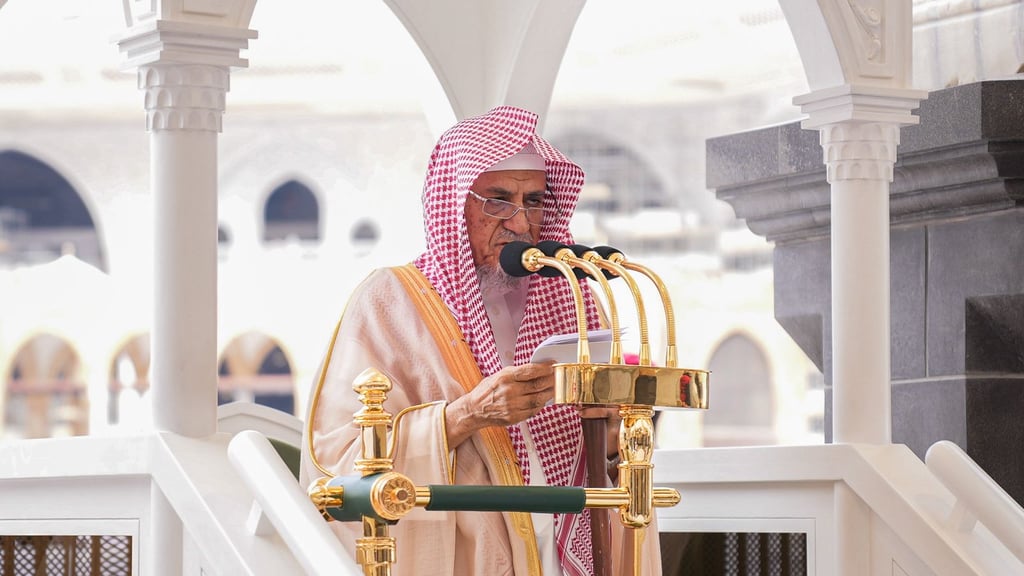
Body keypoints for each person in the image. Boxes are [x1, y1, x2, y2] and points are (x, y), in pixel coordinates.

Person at [300, 105, 661, 575]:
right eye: (498, 200)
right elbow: (338, 463)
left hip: (570, 548)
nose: (519, 223)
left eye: (533, 201)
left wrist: (613, 436)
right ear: (455, 203)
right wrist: (468, 414)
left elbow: (599, 450)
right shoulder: (389, 301)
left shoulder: (570, 295)